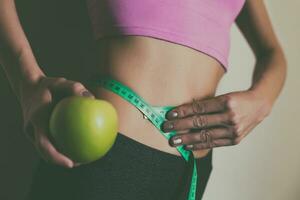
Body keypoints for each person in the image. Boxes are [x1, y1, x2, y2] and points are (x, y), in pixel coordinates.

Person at [0, 0, 287, 200]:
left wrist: (261, 100)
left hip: (192, 169)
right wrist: (28, 83)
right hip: (108, 152)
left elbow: (272, 52)